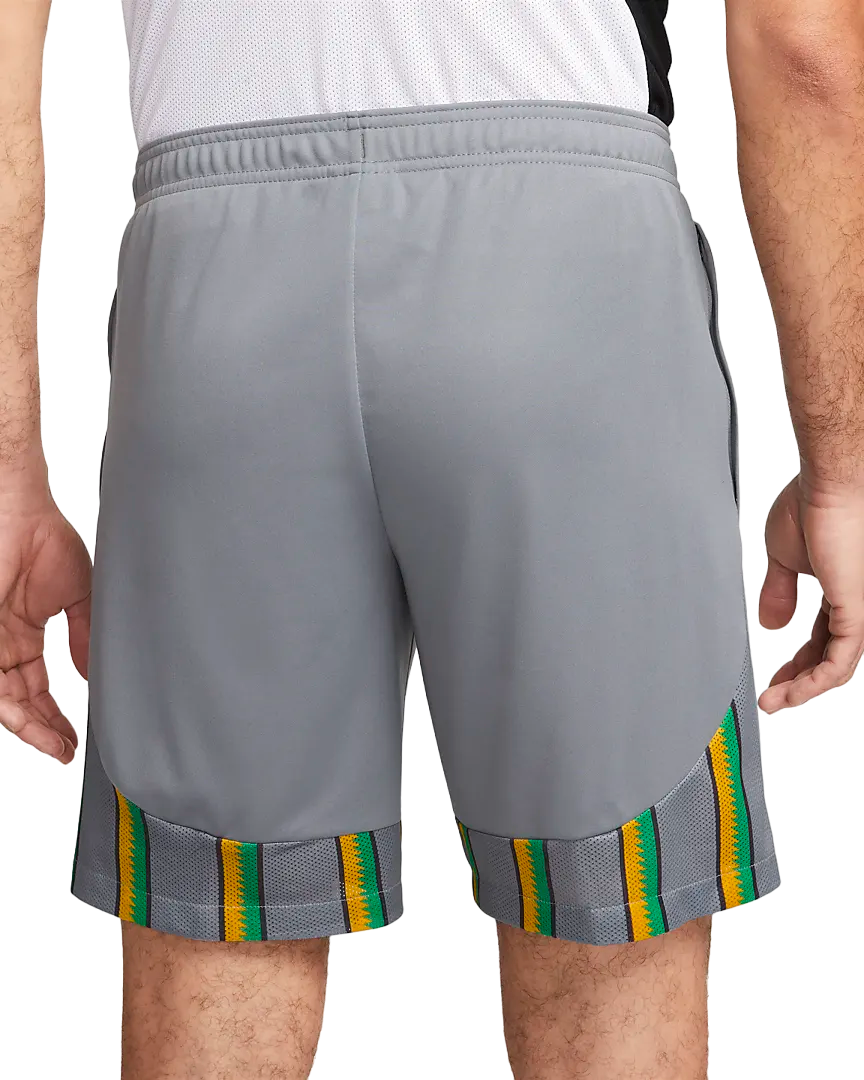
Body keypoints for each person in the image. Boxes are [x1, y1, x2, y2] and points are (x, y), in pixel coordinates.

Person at [2, 1, 863, 1077]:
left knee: (215, 911)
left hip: (214, 291)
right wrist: (843, 470)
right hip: (567, 276)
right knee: (617, 901)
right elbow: (804, 46)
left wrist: (8, 472)